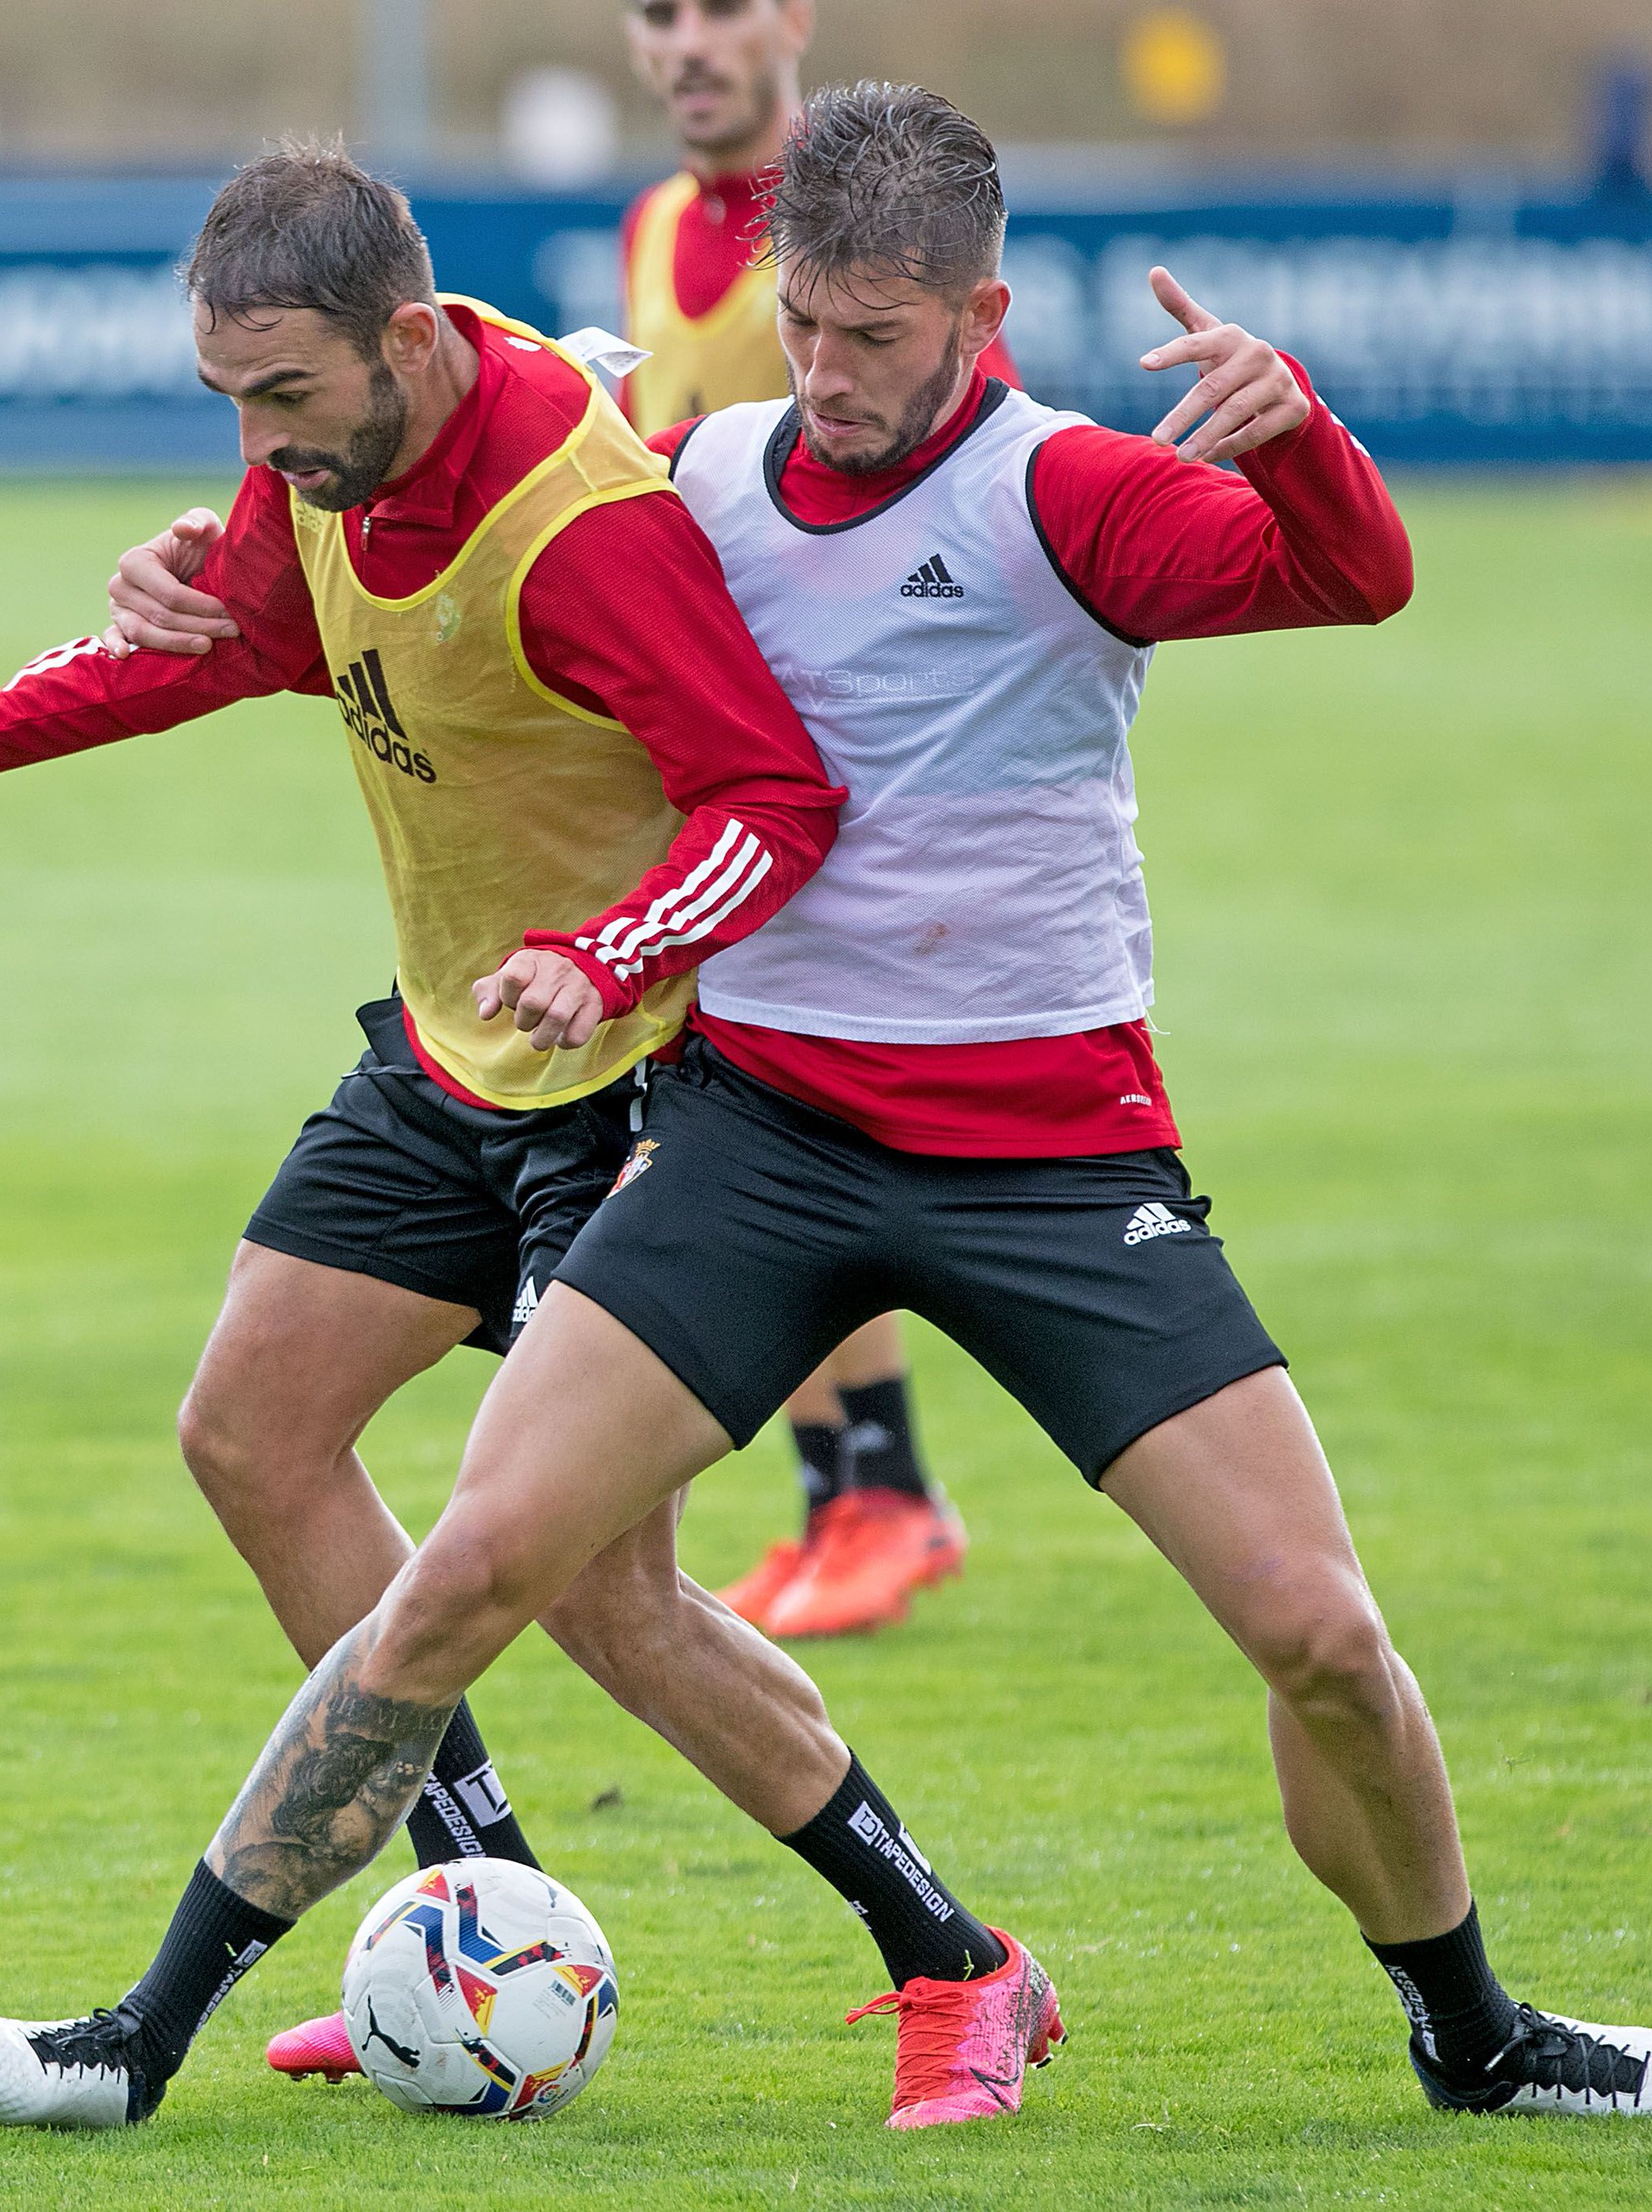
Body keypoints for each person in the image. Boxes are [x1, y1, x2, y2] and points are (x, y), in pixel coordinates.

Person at [0, 82, 1652, 2133]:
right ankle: (138, 2034)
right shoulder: (698, 464)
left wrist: (1301, 435)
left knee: (1319, 1637)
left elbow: (1348, 583)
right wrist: (202, 547)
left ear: (980, 316)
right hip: (760, 1144)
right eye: (801, 324)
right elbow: (457, 447)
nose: (823, 378)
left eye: (875, 337)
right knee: (472, 1564)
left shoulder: (1069, 493)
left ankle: (1475, 2033)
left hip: (1059, 1160)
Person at [0, 142, 943, 2099]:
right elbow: (238, 633)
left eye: (286, 399)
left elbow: (770, 795)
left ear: (402, 337)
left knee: (608, 1600)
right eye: (229, 402)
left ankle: (948, 1957)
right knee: (251, 1432)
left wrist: (604, 951)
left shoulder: (579, 526)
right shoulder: (322, 461)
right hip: (446, 1054)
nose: (260, 444)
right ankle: (475, 1907)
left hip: (631, 1078)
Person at [622, 0, 1024, 1639]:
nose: (685, 44)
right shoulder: (661, 225)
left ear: (787, 18)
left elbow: (970, 455)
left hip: (821, 768)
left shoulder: (872, 225)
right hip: (685, 744)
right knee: (721, 1121)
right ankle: (836, 1491)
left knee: (764, 1131)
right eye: (654, 13)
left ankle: (880, 1489)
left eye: (719, 8)